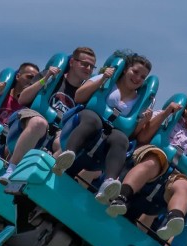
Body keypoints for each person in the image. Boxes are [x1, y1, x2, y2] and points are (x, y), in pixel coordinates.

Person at [106, 92, 187, 240]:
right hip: (154, 158)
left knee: (186, 185)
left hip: (175, 175)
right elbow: (143, 137)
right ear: (186, 109)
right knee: (155, 161)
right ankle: (121, 197)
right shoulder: (168, 116)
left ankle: (174, 220)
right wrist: (166, 113)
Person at [59, 51, 154, 203]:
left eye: (143, 77)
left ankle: (108, 183)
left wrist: (143, 121)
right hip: (86, 122)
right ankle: (68, 154)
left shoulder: (139, 101)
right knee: (93, 120)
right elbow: (79, 96)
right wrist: (102, 79)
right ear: (125, 69)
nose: (137, 78)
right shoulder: (107, 80)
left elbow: (132, 133)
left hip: (109, 137)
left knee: (122, 139)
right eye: (135, 72)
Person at [0, 47, 97, 184]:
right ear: (72, 62)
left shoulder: (84, 93)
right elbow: (22, 99)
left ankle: (41, 177)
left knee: (68, 143)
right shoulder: (51, 76)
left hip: (58, 130)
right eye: (84, 64)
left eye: (92, 66)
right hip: (32, 118)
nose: (88, 69)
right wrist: (45, 79)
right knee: (39, 123)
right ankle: (12, 169)